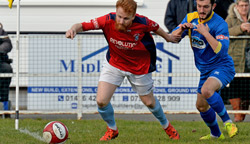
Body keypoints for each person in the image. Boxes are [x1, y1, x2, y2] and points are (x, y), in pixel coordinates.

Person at [66, 0, 181, 141]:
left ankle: (167, 126)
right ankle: (112, 129)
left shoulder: (143, 22)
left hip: (139, 67)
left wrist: (168, 37)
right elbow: (82, 25)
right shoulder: (107, 20)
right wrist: (73, 29)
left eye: (126, 18)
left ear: (133, 16)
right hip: (115, 63)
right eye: (119, 16)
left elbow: (156, 27)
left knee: (149, 102)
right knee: (101, 101)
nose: (121, 21)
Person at [172, 0, 238, 140]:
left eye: (206, 7)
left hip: (223, 66)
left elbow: (221, 51)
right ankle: (215, 134)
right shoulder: (190, 17)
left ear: (213, 6)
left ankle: (228, 123)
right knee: (201, 106)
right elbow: (173, 38)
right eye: (199, 6)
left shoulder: (220, 23)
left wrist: (205, 33)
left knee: (207, 90)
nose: (201, 10)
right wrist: (181, 29)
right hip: (205, 70)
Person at [225, 0, 250, 122]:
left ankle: (242, 117)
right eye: (242, 5)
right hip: (235, 59)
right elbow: (223, 32)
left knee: (247, 92)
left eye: (246, 5)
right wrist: (240, 28)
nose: (244, 8)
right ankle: (237, 117)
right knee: (235, 89)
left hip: (248, 61)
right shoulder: (230, 19)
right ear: (237, 6)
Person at [0, 23, 13, 118]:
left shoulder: (3, 33)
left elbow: (8, 45)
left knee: (7, 69)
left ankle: (6, 111)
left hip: (1, 62)